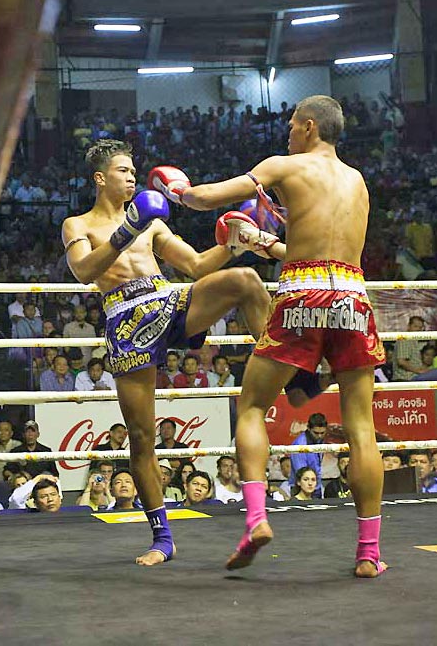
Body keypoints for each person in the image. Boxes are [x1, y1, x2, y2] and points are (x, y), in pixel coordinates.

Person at [153, 95, 386, 576]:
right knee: (361, 429)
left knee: (254, 406)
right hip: (353, 296)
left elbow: (207, 197)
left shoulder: (285, 164)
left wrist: (176, 188)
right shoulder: (358, 182)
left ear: (307, 126)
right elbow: (322, 246)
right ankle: (368, 554)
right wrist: (264, 242)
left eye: (290, 125)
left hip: (301, 295)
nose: (285, 133)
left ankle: (256, 518)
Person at [62, 139, 271, 566]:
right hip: (125, 320)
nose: (133, 177)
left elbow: (195, 266)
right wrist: (126, 232)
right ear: (101, 178)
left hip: (169, 301)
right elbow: (84, 271)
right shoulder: (77, 224)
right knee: (141, 436)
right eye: (123, 170)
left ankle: (289, 369)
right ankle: (162, 538)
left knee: (245, 279)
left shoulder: (151, 223)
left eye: (133, 171)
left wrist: (235, 245)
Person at [289, 413, 327, 498]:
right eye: (316, 433)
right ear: (308, 428)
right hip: (301, 488)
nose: (319, 436)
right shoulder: (299, 445)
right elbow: (302, 473)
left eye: (322, 433)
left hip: (316, 486)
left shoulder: (320, 440)